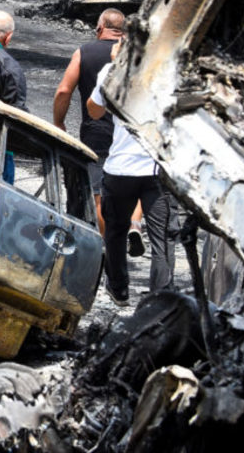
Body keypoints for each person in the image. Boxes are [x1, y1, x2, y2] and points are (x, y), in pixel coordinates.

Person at [87, 45, 176, 306]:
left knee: (115, 231)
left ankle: (119, 290)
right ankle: (160, 297)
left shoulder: (112, 71)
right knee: (162, 238)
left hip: (121, 167)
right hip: (159, 169)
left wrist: (115, 65)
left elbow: (94, 111)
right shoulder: (169, 72)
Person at [52, 8, 143, 249]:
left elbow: (63, 91)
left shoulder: (84, 52)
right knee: (135, 182)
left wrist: (59, 123)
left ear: (100, 28)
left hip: (96, 132)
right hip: (131, 134)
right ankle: (134, 225)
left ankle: (107, 246)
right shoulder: (137, 55)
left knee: (99, 194)